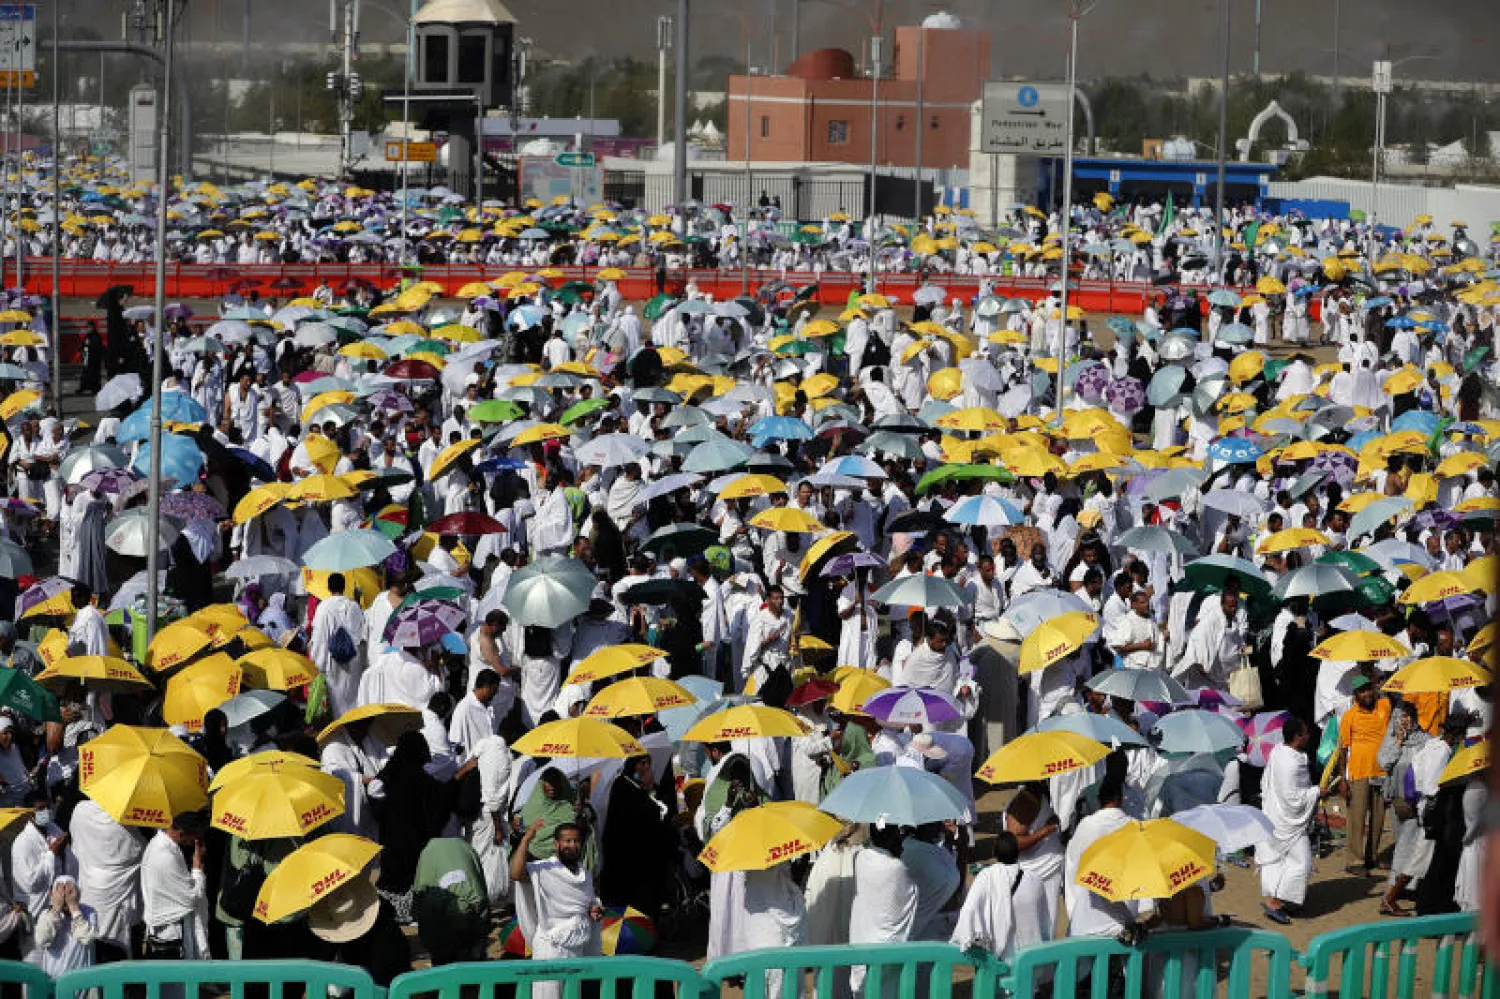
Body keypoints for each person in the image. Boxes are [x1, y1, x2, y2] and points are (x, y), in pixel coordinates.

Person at [511, 821, 604, 999]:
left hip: (577, 947)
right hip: (551, 948)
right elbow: (516, 874)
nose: (572, 845)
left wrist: (593, 910)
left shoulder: (586, 874)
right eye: (567, 841)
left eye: (576, 841)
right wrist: (525, 841)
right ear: (556, 844)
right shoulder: (544, 868)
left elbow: (588, 904)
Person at [1257, 717, 1325, 924]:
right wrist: (1316, 792)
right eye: (1306, 732)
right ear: (1298, 737)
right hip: (1285, 820)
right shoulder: (1288, 763)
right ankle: (1274, 901)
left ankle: (1276, 899)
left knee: (1279, 860)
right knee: (1302, 861)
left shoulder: (1279, 752)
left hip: (1275, 816)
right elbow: (1292, 798)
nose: (1309, 735)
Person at [599, 754, 674, 921]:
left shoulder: (640, 788)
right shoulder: (622, 787)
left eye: (648, 763)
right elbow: (637, 820)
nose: (646, 767)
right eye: (642, 763)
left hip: (644, 863)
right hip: (627, 861)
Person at [69, 797, 143, 962]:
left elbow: (74, 838)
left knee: (92, 945)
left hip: (88, 887)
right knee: (115, 948)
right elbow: (137, 850)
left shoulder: (80, 810)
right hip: (116, 892)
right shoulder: (127, 817)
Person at [848, 824, 918, 998]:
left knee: (863, 988)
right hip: (886, 942)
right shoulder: (896, 867)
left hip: (862, 937)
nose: (900, 840)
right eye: (896, 835)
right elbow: (911, 893)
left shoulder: (860, 857)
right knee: (886, 990)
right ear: (890, 839)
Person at [1333, 674, 1392, 875]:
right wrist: (1343, 779)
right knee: (1357, 818)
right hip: (1358, 772)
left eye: (1369, 689)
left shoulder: (1384, 706)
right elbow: (1342, 749)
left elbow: (1389, 687)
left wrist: (1380, 682)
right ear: (1356, 694)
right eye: (1362, 691)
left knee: (1378, 817)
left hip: (1381, 770)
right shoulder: (1349, 716)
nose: (1366, 693)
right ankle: (1354, 861)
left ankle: (1372, 857)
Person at [140, 810, 210, 959]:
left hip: (168, 932)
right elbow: (191, 898)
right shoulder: (165, 856)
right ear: (181, 834)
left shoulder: (160, 844)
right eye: (194, 838)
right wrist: (197, 867)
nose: (195, 843)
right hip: (171, 935)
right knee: (176, 980)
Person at [411, 837, 490, 965]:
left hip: (463, 850)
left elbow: (483, 927)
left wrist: (476, 948)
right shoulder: (430, 903)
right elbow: (427, 934)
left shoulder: (477, 899)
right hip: (434, 852)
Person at [951, 831, 1021, 963]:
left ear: (994, 853)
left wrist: (966, 937)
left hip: (996, 958)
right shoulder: (1034, 878)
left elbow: (969, 909)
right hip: (1027, 955)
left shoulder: (986, 875)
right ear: (1018, 853)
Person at [308, 573, 367, 717]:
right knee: (352, 700)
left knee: (336, 703)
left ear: (328, 587)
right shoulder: (353, 606)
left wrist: (317, 664)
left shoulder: (323, 607)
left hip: (332, 662)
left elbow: (319, 637)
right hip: (353, 661)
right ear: (344, 586)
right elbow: (362, 633)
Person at [33, 876, 97, 975]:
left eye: (70, 892)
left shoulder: (89, 912)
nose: (65, 896)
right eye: (60, 892)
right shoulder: (46, 914)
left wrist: (73, 907)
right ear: (52, 894)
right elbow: (42, 940)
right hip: (52, 977)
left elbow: (87, 938)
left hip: (81, 979)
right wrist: (56, 909)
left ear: (78, 893)